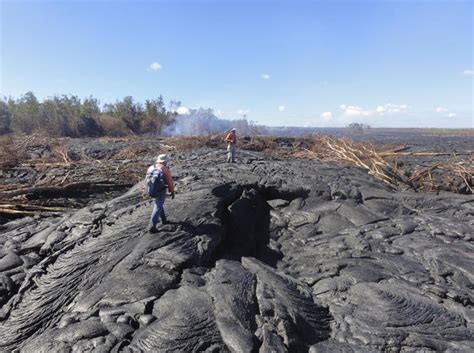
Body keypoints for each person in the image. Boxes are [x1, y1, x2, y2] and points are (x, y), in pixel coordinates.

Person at [145, 154, 175, 233]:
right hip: (160, 190)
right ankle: (152, 227)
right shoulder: (164, 169)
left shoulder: (151, 167)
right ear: (165, 162)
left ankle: (164, 220)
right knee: (157, 206)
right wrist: (172, 191)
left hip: (151, 190)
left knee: (158, 203)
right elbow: (170, 182)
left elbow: (147, 180)